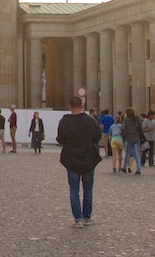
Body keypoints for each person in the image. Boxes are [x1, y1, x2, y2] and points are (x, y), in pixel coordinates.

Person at [56, 96, 102, 228]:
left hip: (72, 159)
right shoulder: (90, 120)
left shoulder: (65, 121)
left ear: (70, 106)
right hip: (88, 158)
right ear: (82, 106)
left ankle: (78, 219)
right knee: (88, 189)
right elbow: (96, 137)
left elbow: (60, 139)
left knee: (74, 189)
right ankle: (87, 217)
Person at [120, 108, 142, 175]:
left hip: (128, 138)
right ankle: (138, 169)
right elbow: (140, 128)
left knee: (127, 154)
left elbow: (123, 128)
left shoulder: (126, 119)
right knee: (136, 154)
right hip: (136, 137)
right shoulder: (137, 119)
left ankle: (124, 167)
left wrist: (124, 135)